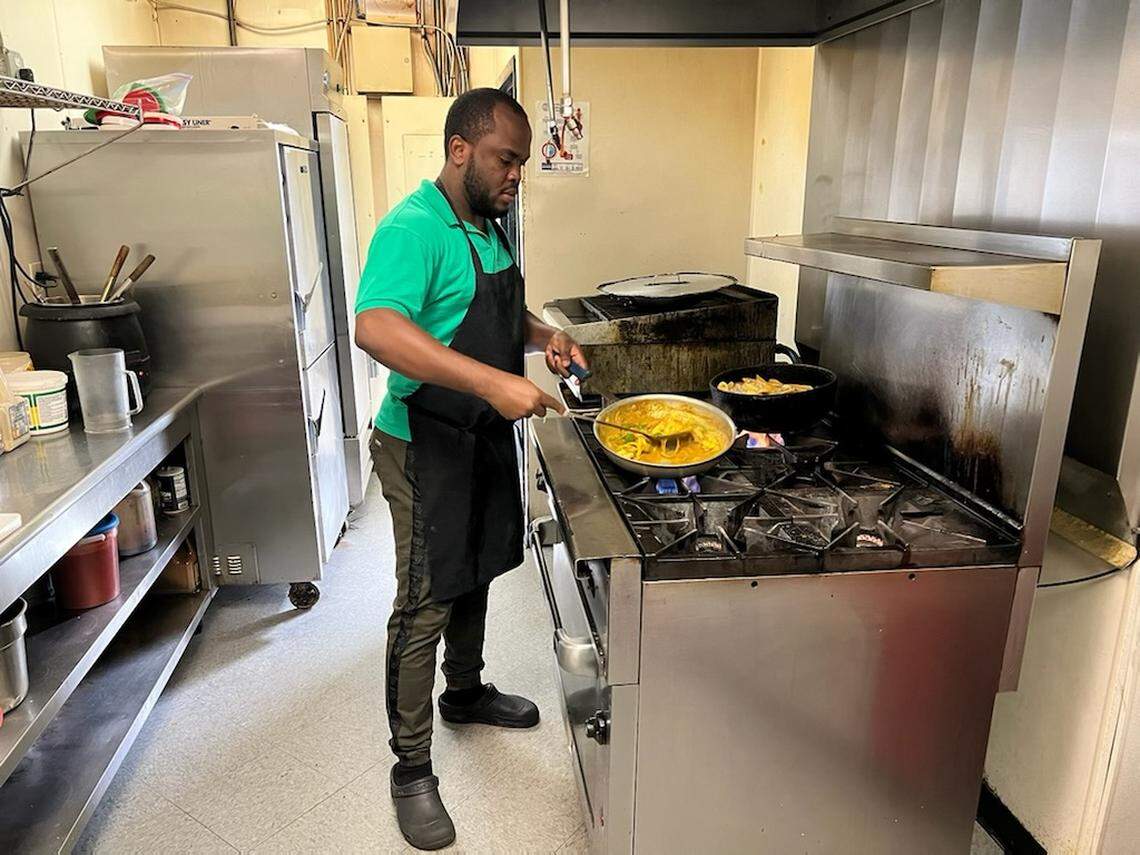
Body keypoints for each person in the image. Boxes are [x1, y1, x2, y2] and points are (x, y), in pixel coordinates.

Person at [353, 88, 586, 851]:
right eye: (506, 159)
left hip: (480, 435)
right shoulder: (413, 228)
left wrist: (543, 335)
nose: (517, 174)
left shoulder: (488, 225)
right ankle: (410, 769)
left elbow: (494, 312)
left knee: (479, 566)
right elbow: (377, 326)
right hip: (421, 439)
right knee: (426, 596)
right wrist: (491, 381)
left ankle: (465, 691)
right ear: (460, 150)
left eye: (520, 162)